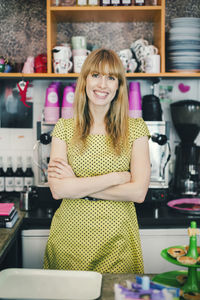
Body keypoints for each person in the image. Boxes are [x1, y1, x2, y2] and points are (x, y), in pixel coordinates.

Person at [43, 48, 151, 274]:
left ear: (119, 86)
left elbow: (138, 193)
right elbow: (58, 190)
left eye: (111, 77)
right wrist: (116, 178)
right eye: (95, 75)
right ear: (84, 80)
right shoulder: (63, 127)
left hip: (118, 243)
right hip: (69, 241)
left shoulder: (135, 128)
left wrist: (78, 186)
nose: (102, 85)